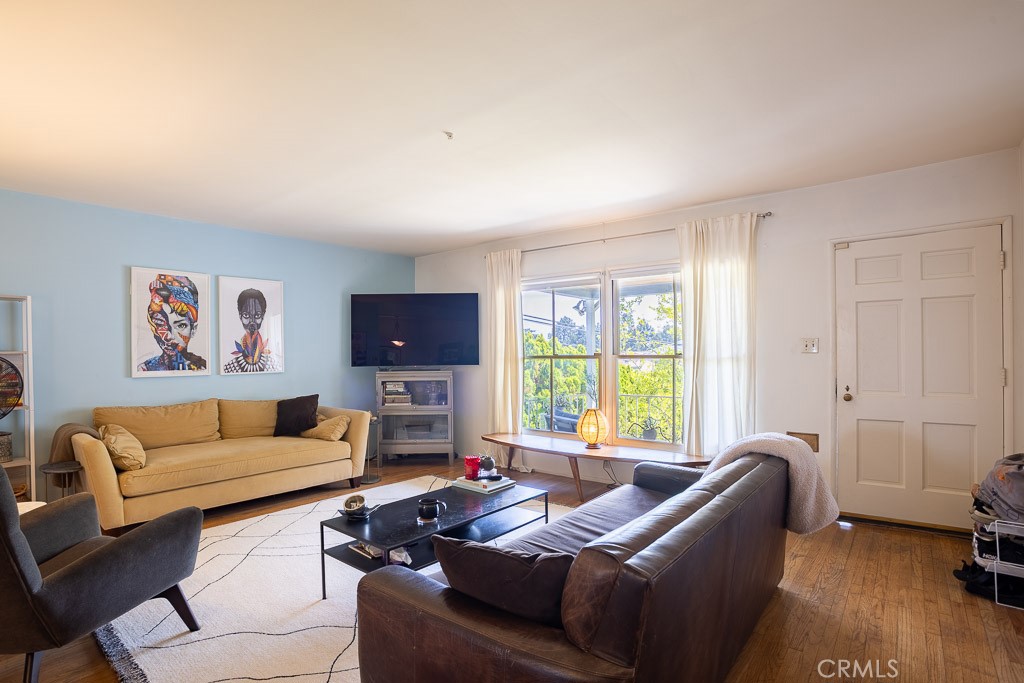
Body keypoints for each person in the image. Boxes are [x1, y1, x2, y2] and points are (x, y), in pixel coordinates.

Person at [137, 274, 207, 372]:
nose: (169, 335)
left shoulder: (203, 368)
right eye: (161, 324)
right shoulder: (144, 369)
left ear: (193, 329)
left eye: (180, 325)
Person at [223, 288, 281, 373]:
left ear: (263, 316)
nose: (252, 322)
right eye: (246, 315)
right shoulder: (229, 367)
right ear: (240, 316)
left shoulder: (274, 365)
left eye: (257, 316)